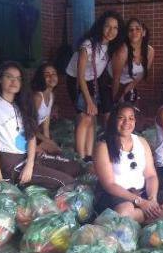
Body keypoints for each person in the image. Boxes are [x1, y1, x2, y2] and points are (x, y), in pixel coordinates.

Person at [0, 61, 80, 190]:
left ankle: (37, 177)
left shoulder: (23, 104)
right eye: (9, 77)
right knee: (68, 182)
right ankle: (23, 180)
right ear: (0, 79)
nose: (14, 81)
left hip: (31, 157)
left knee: (75, 167)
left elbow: (31, 137)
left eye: (18, 78)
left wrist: (30, 164)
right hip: (13, 163)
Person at [94, 102, 163, 224]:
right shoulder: (103, 145)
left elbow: (150, 175)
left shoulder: (141, 142)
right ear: (113, 120)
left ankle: (138, 219)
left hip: (142, 192)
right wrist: (140, 202)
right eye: (121, 118)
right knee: (124, 211)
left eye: (131, 118)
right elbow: (109, 184)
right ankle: (151, 218)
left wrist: (152, 199)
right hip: (117, 195)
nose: (127, 122)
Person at [65, 10, 125, 161]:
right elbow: (80, 75)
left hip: (92, 81)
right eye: (108, 26)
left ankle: (89, 155)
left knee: (92, 118)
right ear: (100, 27)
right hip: (77, 81)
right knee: (85, 117)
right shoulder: (88, 45)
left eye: (115, 28)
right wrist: (89, 100)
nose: (111, 31)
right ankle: (80, 156)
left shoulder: (110, 47)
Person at [107, 18, 154, 106]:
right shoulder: (123, 51)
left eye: (137, 29)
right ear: (127, 34)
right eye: (131, 29)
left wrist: (127, 89)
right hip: (110, 82)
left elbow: (142, 73)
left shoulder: (150, 51)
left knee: (131, 110)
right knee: (114, 112)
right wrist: (116, 100)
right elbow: (115, 79)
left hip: (128, 82)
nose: (134, 32)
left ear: (143, 32)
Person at [31, 63, 61, 154]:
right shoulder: (38, 97)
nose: (51, 77)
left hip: (33, 135)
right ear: (41, 78)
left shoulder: (51, 96)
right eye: (47, 75)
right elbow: (31, 127)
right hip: (24, 135)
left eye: (54, 74)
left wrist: (48, 141)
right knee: (47, 152)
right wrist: (49, 142)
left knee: (56, 151)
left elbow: (46, 126)